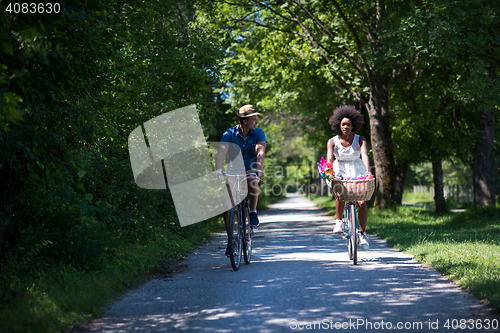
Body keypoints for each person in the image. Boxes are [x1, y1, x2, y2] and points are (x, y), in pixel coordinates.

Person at [214, 104, 267, 257]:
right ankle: (231, 241)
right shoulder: (229, 134)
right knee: (228, 206)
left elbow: (260, 151)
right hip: (233, 170)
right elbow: (221, 154)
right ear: (244, 121)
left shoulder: (258, 133)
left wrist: (258, 168)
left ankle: (252, 211)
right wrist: (218, 169)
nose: (256, 122)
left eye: (256, 119)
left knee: (253, 181)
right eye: (253, 119)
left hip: (250, 168)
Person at [326, 105, 372, 251]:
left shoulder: (360, 140)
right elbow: (329, 159)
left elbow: (364, 155)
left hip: (357, 170)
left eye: (348, 124)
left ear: (353, 126)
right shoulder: (332, 141)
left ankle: (362, 234)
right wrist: (330, 172)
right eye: (343, 124)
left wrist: (368, 172)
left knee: (362, 202)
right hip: (340, 170)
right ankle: (339, 221)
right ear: (338, 125)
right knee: (339, 194)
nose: (345, 127)